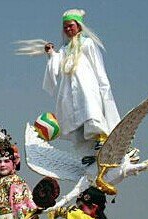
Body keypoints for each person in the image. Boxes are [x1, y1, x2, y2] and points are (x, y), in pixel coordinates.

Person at [43, 9, 120, 155]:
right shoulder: (65, 49)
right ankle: (90, 152)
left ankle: (102, 136)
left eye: (70, 25)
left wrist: (103, 85)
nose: (68, 29)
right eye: (65, 27)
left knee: (91, 109)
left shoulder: (87, 43)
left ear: (78, 26)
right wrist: (51, 53)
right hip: (69, 90)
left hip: (86, 85)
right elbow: (58, 66)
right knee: (75, 119)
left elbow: (98, 66)